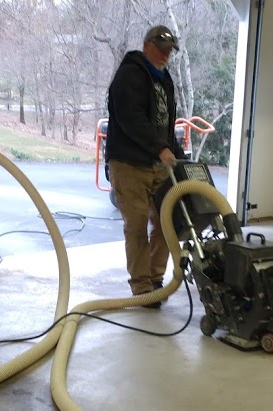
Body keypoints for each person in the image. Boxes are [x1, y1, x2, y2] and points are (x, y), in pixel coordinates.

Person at [106, 25, 186, 308]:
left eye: (169, 51)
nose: (165, 55)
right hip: (128, 164)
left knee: (168, 221)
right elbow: (132, 120)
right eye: (161, 49)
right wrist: (160, 148)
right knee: (137, 225)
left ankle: (155, 279)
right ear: (147, 45)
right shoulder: (129, 75)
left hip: (156, 163)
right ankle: (141, 288)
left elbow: (166, 122)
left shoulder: (165, 79)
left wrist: (177, 152)